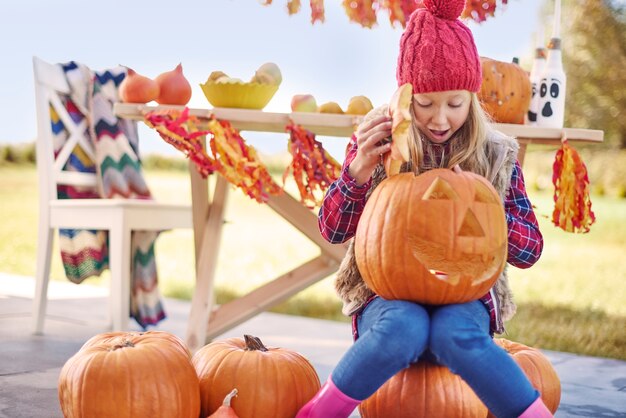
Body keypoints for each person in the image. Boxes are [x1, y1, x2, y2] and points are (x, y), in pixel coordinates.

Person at [296, 1, 551, 417]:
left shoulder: (496, 155)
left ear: (472, 97)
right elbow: (331, 228)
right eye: (425, 103)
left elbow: (531, 251)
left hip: (466, 294)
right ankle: (319, 412)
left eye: (454, 103)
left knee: (455, 333)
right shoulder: (377, 142)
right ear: (405, 96)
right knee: (403, 327)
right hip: (387, 292)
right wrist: (359, 169)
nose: (439, 118)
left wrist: (487, 211)